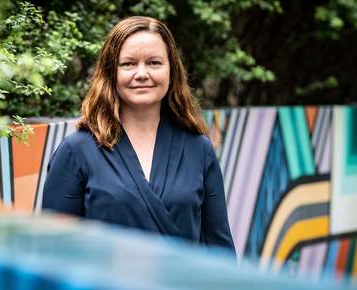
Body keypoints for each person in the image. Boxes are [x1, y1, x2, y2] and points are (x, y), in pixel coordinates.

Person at [42, 16, 235, 251]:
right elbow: (55, 252)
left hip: (180, 288)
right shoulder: (77, 151)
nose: (142, 73)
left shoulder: (199, 149)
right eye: (128, 64)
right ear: (111, 73)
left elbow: (220, 250)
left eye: (154, 63)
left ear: (171, 71)